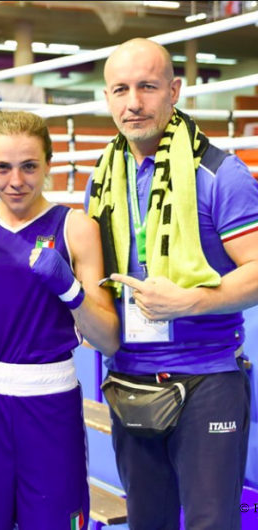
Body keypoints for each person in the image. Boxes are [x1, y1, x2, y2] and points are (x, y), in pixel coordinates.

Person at [87, 38, 258, 529]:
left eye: (147, 87)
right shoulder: (102, 180)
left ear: (174, 90)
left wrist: (193, 301)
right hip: (129, 377)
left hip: (207, 378)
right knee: (147, 522)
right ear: (107, 98)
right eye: (120, 89)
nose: (133, 102)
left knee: (209, 521)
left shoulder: (221, 174)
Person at [0, 110, 120, 530]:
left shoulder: (76, 228)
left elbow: (108, 338)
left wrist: (70, 289)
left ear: (49, 165)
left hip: (49, 403)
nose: (15, 181)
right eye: (2, 167)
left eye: (29, 166)